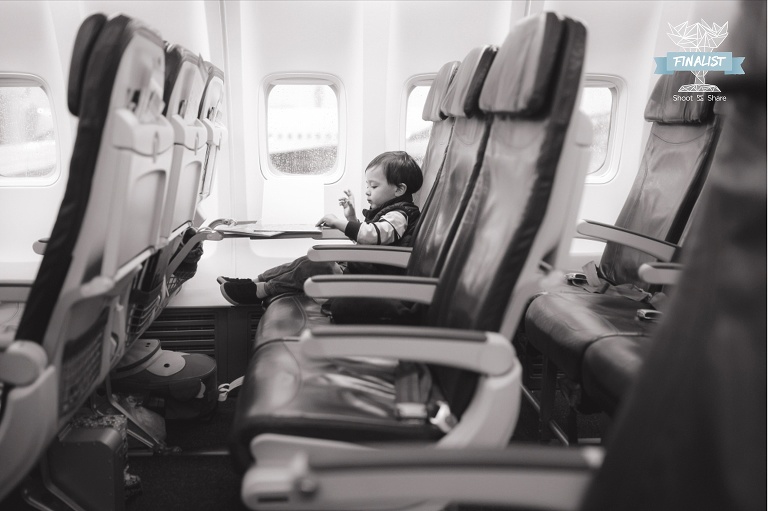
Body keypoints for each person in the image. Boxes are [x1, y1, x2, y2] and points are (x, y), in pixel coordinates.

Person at [218, 151, 423, 306]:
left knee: (313, 265)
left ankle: (261, 291)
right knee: (305, 260)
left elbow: (371, 237)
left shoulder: (399, 215)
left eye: (374, 187)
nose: (368, 192)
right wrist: (350, 217)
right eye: (367, 185)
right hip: (360, 272)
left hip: (369, 282)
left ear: (399, 189)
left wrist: (339, 222)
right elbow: (370, 241)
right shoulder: (390, 211)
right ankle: (254, 281)